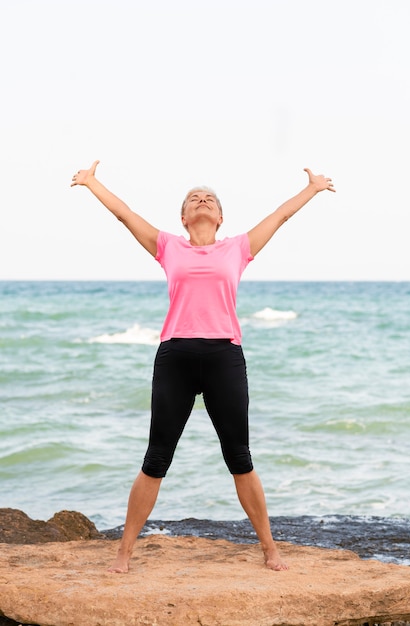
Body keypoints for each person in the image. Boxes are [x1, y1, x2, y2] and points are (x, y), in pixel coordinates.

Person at [71, 160, 335, 573]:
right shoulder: (167, 245)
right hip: (175, 356)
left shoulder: (239, 248)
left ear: (220, 216)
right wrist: (92, 183)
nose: (202, 200)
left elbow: (280, 216)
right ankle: (124, 551)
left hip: (223, 357)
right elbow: (125, 215)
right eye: (194, 198)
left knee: (239, 456)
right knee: (156, 457)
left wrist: (313, 188)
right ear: (183, 216)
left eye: (209, 198)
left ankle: (269, 548)